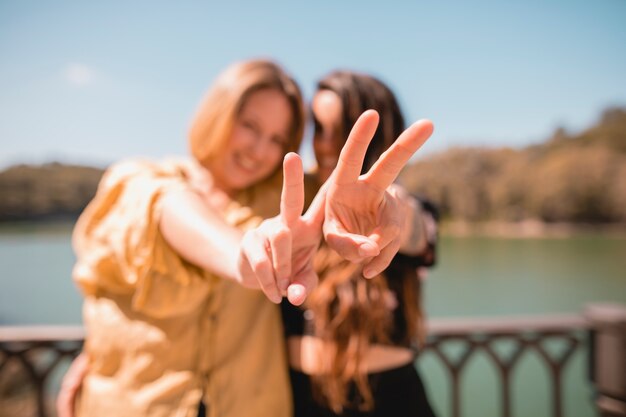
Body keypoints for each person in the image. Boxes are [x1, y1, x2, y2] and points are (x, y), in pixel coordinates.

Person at [56, 59, 435, 417]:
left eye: (276, 138)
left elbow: (416, 228)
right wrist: (101, 351)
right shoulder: (146, 180)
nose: (259, 149)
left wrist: (393, 209)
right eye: (250, 126)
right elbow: (168, 208)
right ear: (219, 112)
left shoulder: (314, 207)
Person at [280, 70, 439, 417]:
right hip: (297, 401)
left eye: (339, 130)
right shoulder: (292, 209)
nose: (322, 143)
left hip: (391, 402)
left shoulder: (398, 209)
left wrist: (386, 207)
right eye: (317, 129)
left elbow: (414, 228)